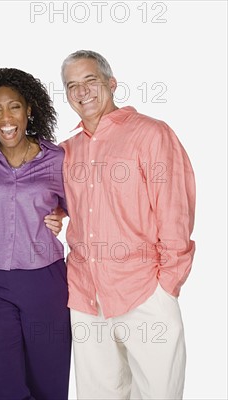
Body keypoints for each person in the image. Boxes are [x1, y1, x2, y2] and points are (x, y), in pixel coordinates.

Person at [60, 50, 196, 399]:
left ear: (111, 83)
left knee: (158, 393)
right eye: (72, 85)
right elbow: (54, 203)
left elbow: (175, 209)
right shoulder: (66, 150)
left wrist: (166, 284)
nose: (82, 91)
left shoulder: (151, 133)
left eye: (90, 81)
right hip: (86, 296)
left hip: (144, 290)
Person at [0, 67, 71, 400]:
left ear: (29, 111)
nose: (5, 117)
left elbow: (77, 204)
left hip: (45, 282)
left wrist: (60, 213)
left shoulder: (57, 158)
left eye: (14, 107)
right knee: (0, 385)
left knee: (48, 381)